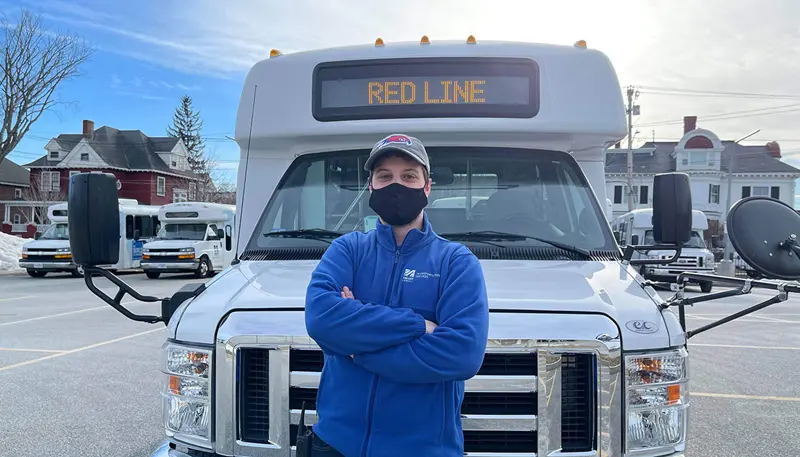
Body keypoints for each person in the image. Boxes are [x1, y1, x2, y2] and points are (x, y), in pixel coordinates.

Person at [304, 134, 490, 457]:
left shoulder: (456, 262)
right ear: (371, 186)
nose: (396, 185)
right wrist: (418, 325)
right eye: (385, 176)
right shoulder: (348, 250)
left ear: (427, 187)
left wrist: (356, 349)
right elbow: (321, 318)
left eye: (409, 176)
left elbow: (462, 353)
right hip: (335, 445)